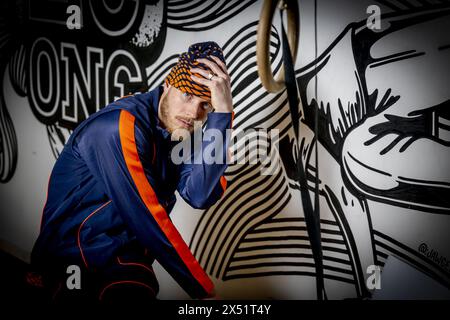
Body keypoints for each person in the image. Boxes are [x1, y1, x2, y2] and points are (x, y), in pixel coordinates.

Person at [30, 41, 234, 302]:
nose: (193, 112)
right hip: (72, 254)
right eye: (187, 95)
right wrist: (202, 289)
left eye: (206, 105)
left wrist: (223, 116)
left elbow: (200, 195)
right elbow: (147, 216)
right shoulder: (118, 126)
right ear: (168, 84)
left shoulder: (186, 131)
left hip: (127, 258)